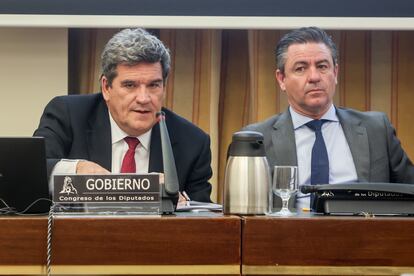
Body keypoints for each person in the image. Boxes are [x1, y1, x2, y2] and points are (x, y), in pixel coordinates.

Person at [243, 26, 414, 209]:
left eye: (322, 66)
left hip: (365, 232)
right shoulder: (257, 138)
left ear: (336, 73)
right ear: (281, 79)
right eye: (301, 68)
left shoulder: (376, 129)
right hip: (289, 234)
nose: (314, 77)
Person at [34, 28, 212, 202]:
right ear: (106, 87)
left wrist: (182, 204)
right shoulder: (68, 116)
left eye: (153, 85)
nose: (143, 98)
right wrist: (77, 169)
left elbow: (204, 220)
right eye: (130, 85)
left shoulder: (193, 142)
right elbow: (31, 170)